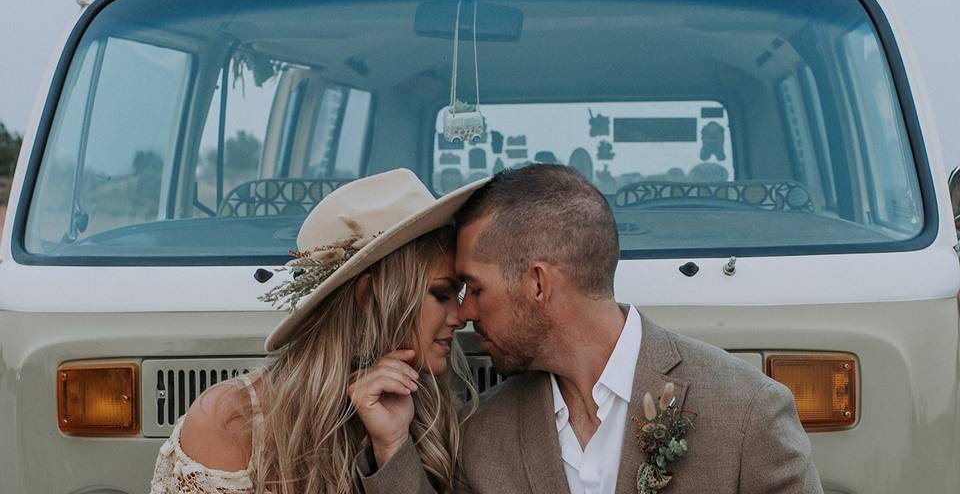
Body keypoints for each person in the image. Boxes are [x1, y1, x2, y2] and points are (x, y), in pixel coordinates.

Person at [357, 163, 823, 494]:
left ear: (537, 284)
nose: (466, 313)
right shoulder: (479, 433)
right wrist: (393, 444)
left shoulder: (747, 413)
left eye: (475, 289)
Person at [150, 169, 486, 494]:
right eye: (442, 294)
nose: (461, 316)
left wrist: (393, 446)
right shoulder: (233, 422)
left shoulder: (439, 415)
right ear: (368, 298)